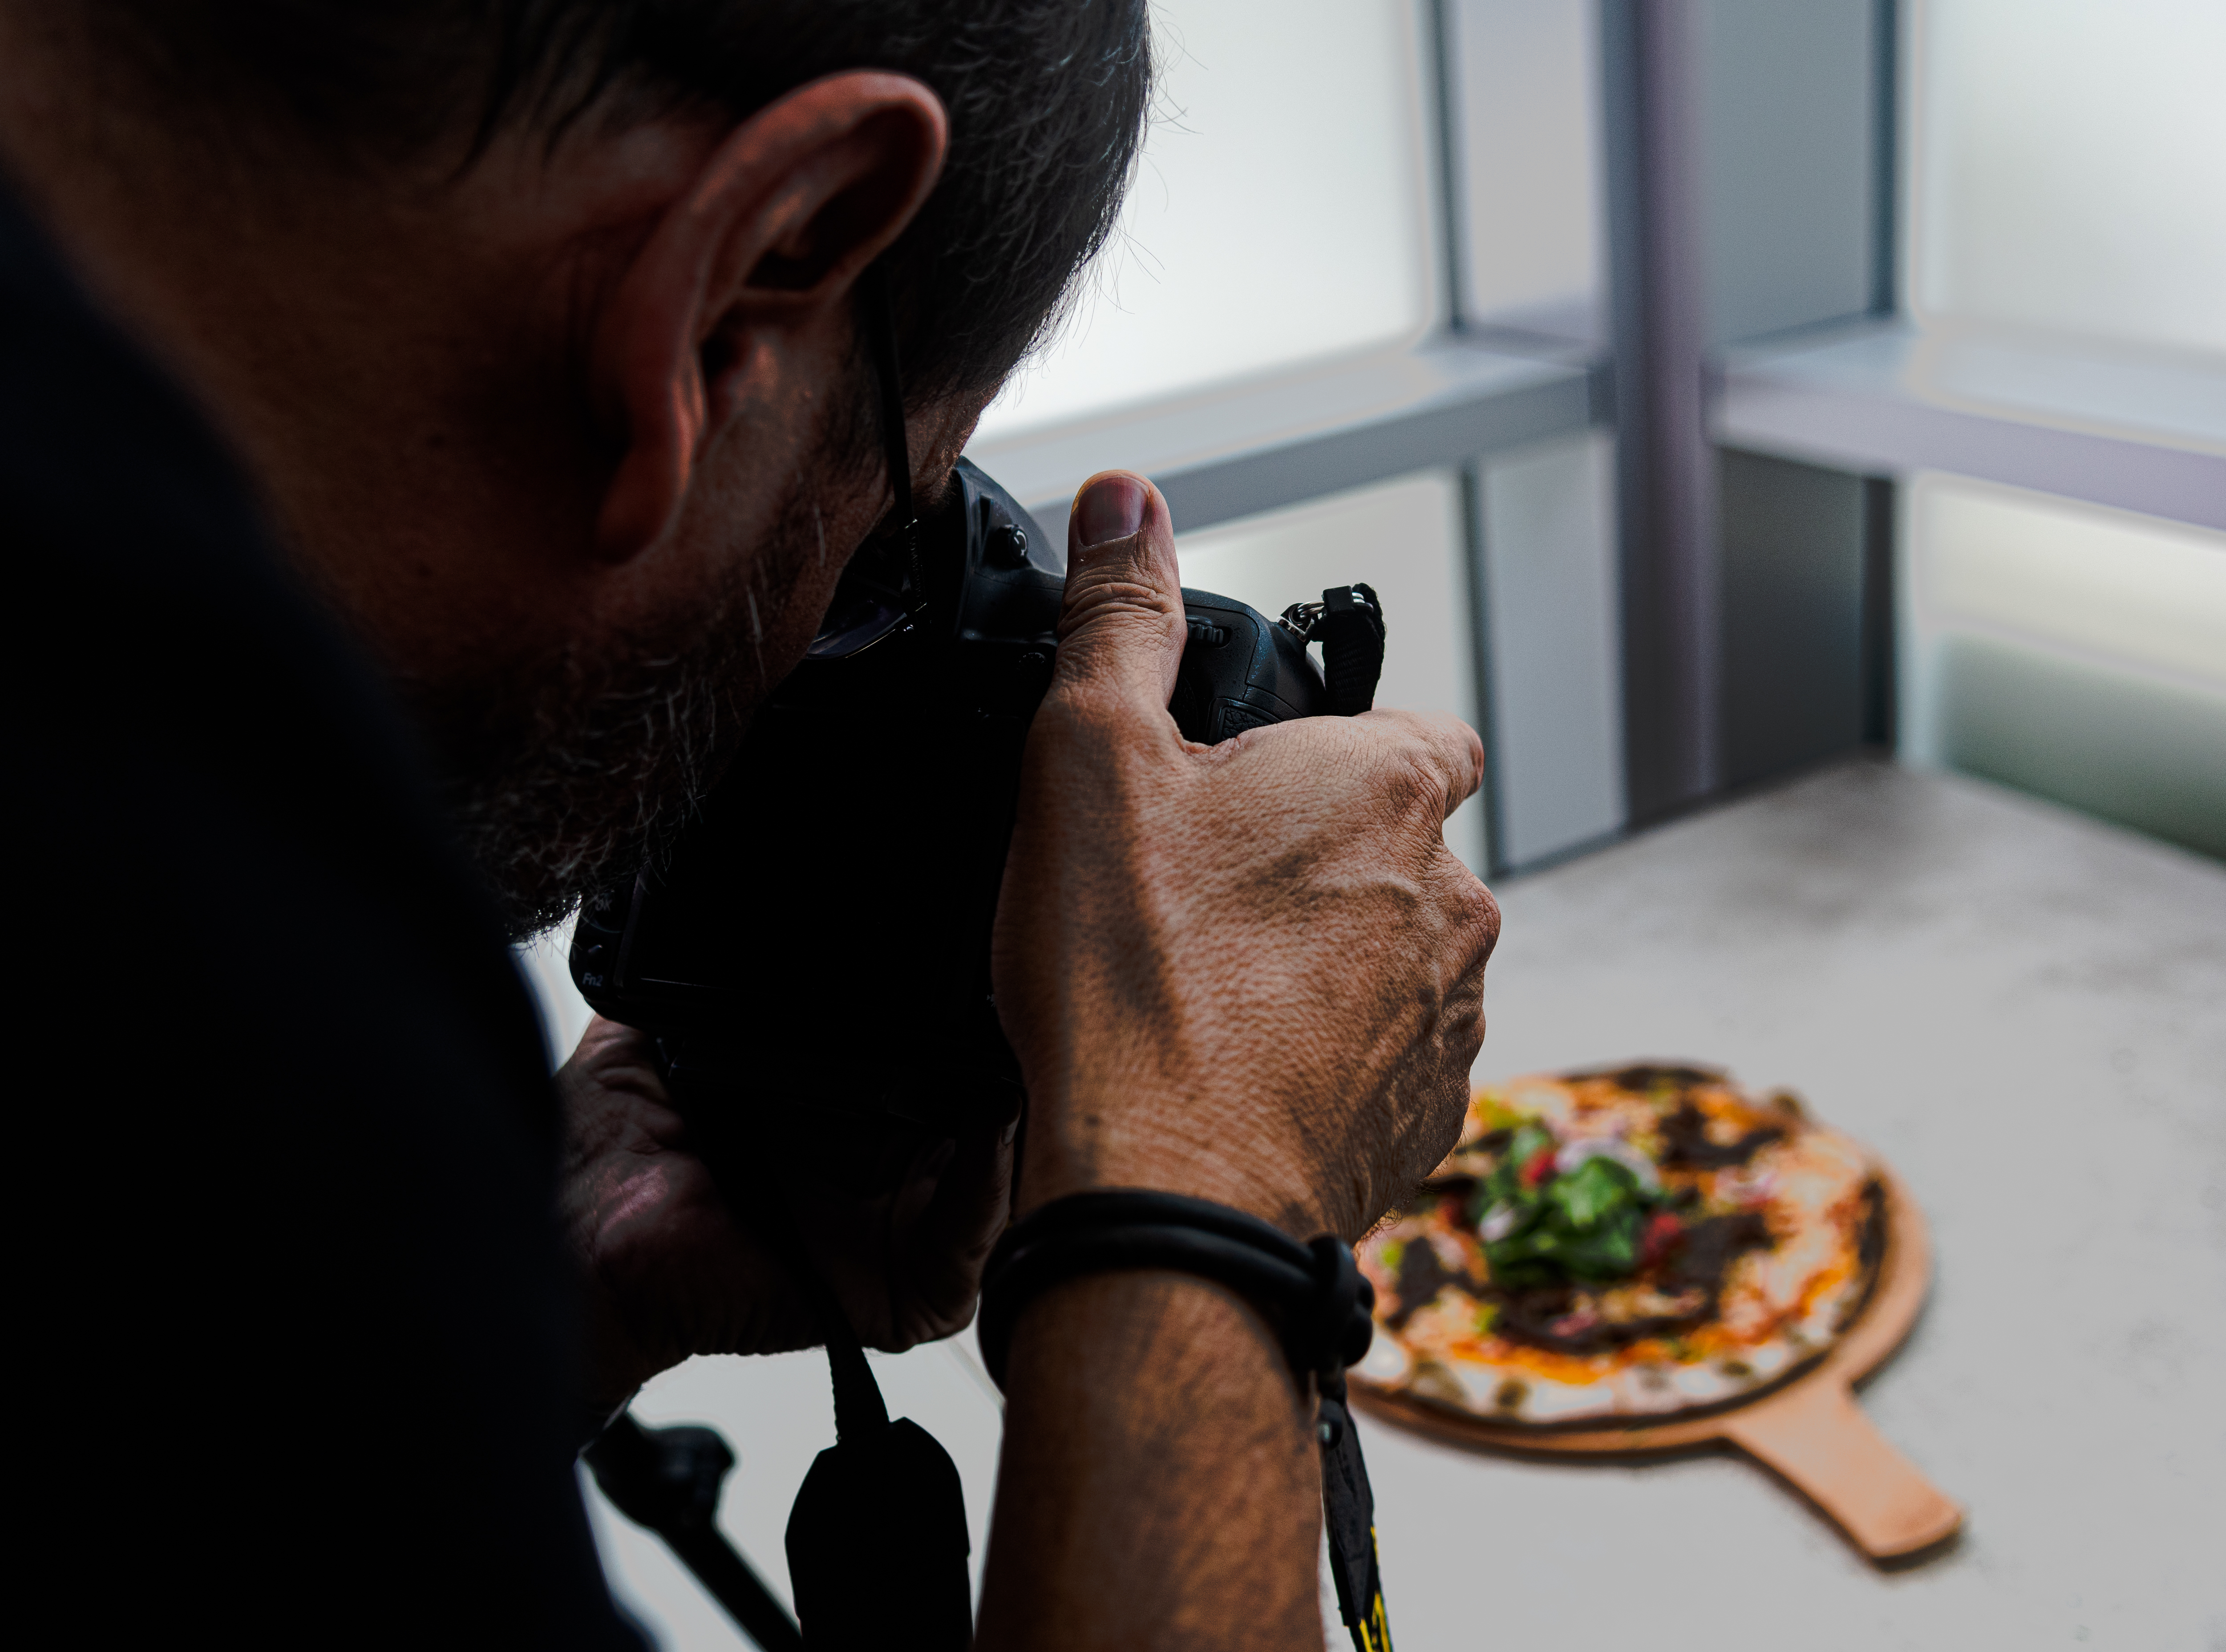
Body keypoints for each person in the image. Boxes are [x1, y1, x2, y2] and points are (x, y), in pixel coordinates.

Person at [5, 2, 1497, 1645]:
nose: (803, 656)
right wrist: (1203, 1195)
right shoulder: (181, 909)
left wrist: (511, 1293)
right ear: (755, 267)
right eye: (885, 524)